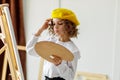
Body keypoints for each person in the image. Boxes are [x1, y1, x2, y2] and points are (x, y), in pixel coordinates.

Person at [26, 8, 80, 80]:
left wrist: (59, 65)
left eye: (60, 23)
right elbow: (30, 50)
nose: (56, 27)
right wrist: (40, 30)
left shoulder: (73, 50)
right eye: (54, 24)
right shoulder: (51, 41)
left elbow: (70, 77)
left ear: (69, 26)